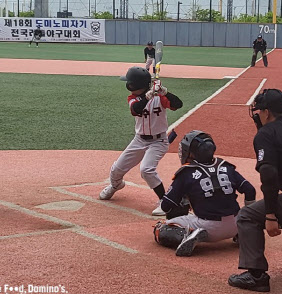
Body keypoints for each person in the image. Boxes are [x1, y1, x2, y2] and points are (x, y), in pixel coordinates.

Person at [228, 89, 282, 292]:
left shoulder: (266, 133)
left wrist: (270, 214)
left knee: (247, 216)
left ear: (267, 112)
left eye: (259, 111)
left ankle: (256, 276)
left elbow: (269, 174)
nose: (257, 115)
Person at [153, 130, 256, 257]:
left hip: (209, 228)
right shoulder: (225, 166)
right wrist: (247, 216)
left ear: (192, 153)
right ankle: (243, 232)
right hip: (236, 223)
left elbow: (165, 206)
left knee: (160, 229)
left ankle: (187, 235)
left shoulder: (186, 172)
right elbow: (250, 190)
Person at [99, 66, 183, 216]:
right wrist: (148, 96)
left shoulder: (160, 98)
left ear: (137, 85)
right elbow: (136, 109)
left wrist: (166, 93)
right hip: (139, 140)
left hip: (158, 141)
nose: (128, 86)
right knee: (116, 169)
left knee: (146, 169)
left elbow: (178, 104)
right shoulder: (133, 98)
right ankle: (116, 185)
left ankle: (165, 203)